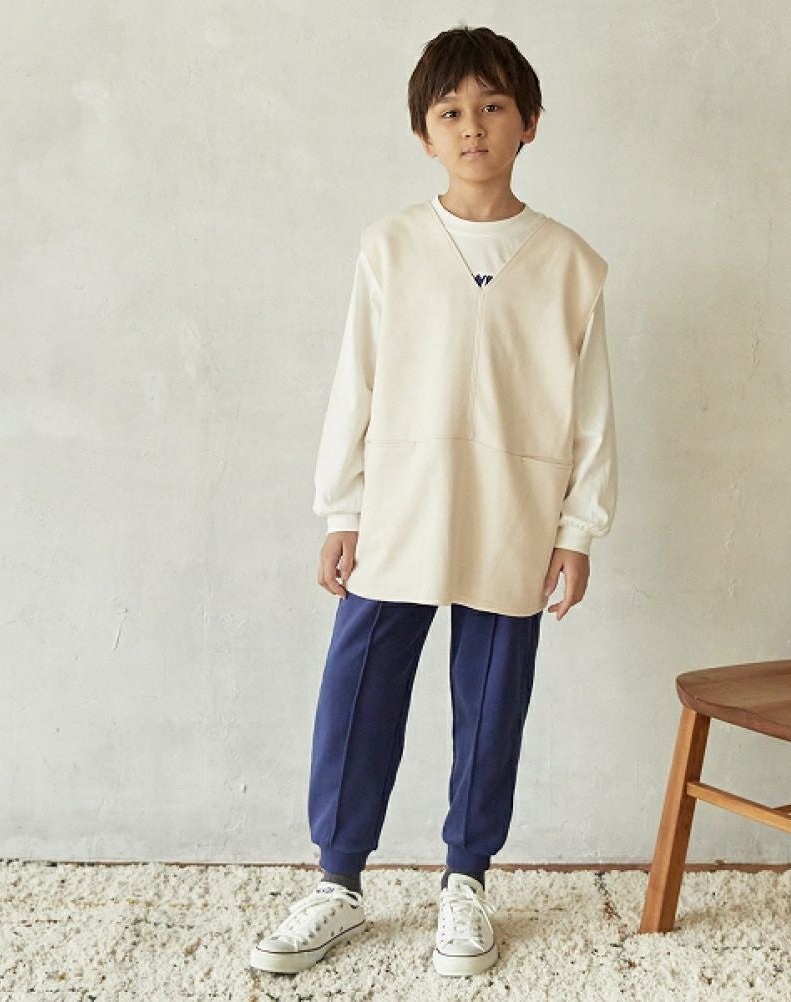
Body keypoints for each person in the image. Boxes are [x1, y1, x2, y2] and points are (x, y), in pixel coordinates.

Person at [250, 23, 618, 980]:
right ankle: (338, 881)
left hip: (514, 506)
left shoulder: (571, 264)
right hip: (401, 505)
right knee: (360, 690)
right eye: (450, 111)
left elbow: (591, 411)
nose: (473, 127)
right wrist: (343, 510)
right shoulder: (391, 247)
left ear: (530, 121)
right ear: (423, 133)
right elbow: (357, 383)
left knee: (492, 700)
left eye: (493, 106)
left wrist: (578, 529)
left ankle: (466, 879)